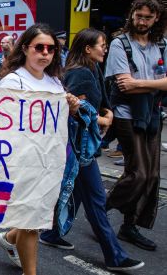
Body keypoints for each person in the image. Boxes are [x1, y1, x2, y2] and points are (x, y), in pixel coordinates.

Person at [38, 28, 144, 271]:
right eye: (101, 44)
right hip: (78, 148)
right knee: (96, 200)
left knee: (74, 194)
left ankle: (51, 234)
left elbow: (101, 102)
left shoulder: (93, 69)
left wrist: (109, 112)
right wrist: (103, 120)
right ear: (87, 48)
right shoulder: (79, 73)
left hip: (84, 145)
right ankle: (114, 256)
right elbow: (72, 111)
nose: (105, 48)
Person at [0, 23, 80, 275]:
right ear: (25, 48)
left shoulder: (54, 81)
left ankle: (10, 238)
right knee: (32, 220)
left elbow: (58, 120)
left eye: (51, 49)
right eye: (39, 47)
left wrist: (71, 106)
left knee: (37, 216)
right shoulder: (13, 80)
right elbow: (0, 121)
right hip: (23, 162)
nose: (45, 53)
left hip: (50, 161)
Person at [104, 0, 167, 251]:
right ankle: (102, 209)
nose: (142, 21)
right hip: (126, 115)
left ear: (156, 19)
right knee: (138, 173)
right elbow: (123, 85)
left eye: (147, 17)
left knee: (151, 176)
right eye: (138, 16)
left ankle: (129, 226)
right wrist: (155, 84)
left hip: (152, 115)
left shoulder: (161, 44)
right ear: (132, 14)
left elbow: (133, 83)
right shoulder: (120, 43)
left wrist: (139, 83)